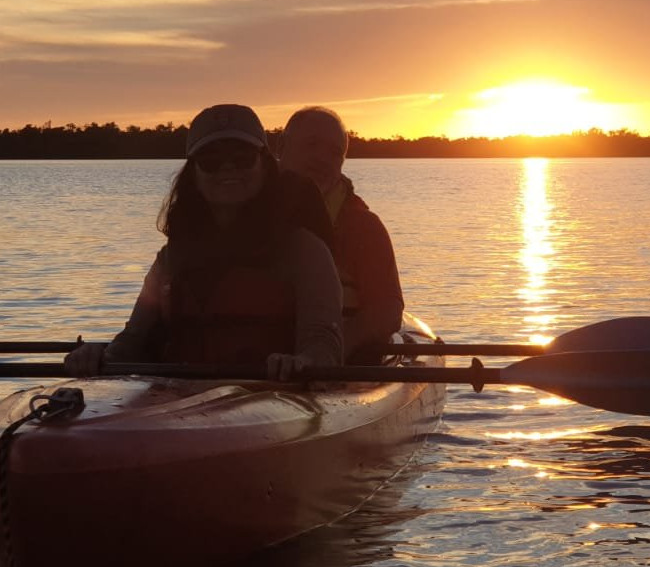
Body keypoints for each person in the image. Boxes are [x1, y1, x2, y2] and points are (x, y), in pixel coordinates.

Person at [65, 104, 343, 381]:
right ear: (193, 172)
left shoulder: (306, 251)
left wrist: (303, 362)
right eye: (211, 159)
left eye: (242, 157)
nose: (227, 168)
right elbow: (132, 342)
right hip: (178, 400)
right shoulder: (171, 258)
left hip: (273, 400)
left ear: (264, 165)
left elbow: (323, 342)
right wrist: (97, 356)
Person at [277, 107, 404, 361]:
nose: (322, 158)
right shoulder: (240, 211)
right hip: (250, 366)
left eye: (335, 153)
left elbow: (386, 311)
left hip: (331, 369)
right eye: (311, 144)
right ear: (281, 146)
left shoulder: (364, 227)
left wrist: (326, 351)